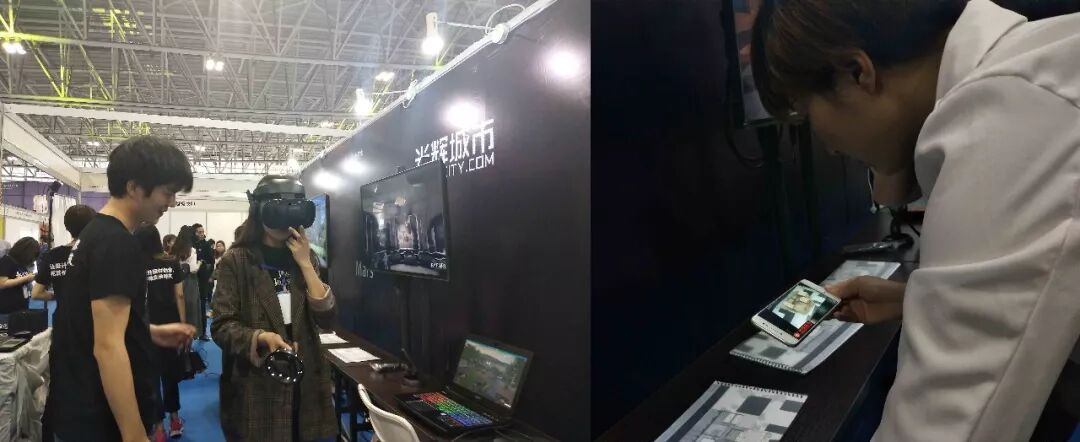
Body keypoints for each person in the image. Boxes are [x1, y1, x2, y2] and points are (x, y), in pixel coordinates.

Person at [751, 1, 1080, 440]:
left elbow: (945, 426)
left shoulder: (1005, 117)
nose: (826, 145)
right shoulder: (1034, 71)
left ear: (856, 72)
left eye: (805, 114)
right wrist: (921, 301)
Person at [48, 135, 196, 442]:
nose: (171, 202)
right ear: (134, 188)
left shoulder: (95, 234)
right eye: (167, 192)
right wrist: (133, 434)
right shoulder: (117, 244)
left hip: (78, 405)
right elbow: (107, 347)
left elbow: (90, 322)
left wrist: (148, 332)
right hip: (99, 417)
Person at [212, 175, 337, 442]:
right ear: (258, 211)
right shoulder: (237, 261)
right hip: (258, 382)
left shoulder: (305, 256)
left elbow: (326, 319)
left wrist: (305, 263)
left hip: (305, 380)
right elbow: (222, 325)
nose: (284, 223)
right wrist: (259, 338)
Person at [134, 225, 188, 441]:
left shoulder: (137, 265)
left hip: (147, 327)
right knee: (170, 373)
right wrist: (183, 324)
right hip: (171, 324)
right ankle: (174, 420)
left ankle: (158, 428)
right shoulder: (171, 262)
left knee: (151, 376)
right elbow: (180, 295)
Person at [32, 205, 96, 306]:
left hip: (63, 314)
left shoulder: (52, 255)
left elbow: (36, 293)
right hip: (92, 314)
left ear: (66, 227)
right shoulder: (98, 253)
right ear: (93, 227)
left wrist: (61, 296)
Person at [172, 226, 203, 341]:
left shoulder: (174, 249)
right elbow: (193, 269)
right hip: (190, 281)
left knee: (179, 307)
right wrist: (199, 263)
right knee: (191, 309)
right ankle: (188, 340)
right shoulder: (192, 250)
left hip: (177, 280)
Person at [0, 237, 39, 314]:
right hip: (7, 311)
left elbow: (19, 280)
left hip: (20, 310)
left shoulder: (21, 264)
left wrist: (32, 277)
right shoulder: (7, 260)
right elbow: (2, 283)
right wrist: (26, 278)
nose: (32, 260)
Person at [192, 223, 215, 339]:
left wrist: (205, 267)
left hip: (202, 279)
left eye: (202, 232)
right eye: (199, 232)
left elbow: (211, 261)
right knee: (190, 305)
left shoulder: (206, 245)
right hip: (190, 279)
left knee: (202, 304)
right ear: (194, 233)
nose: (202, 234)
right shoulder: (190, 245)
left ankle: (203, 332)